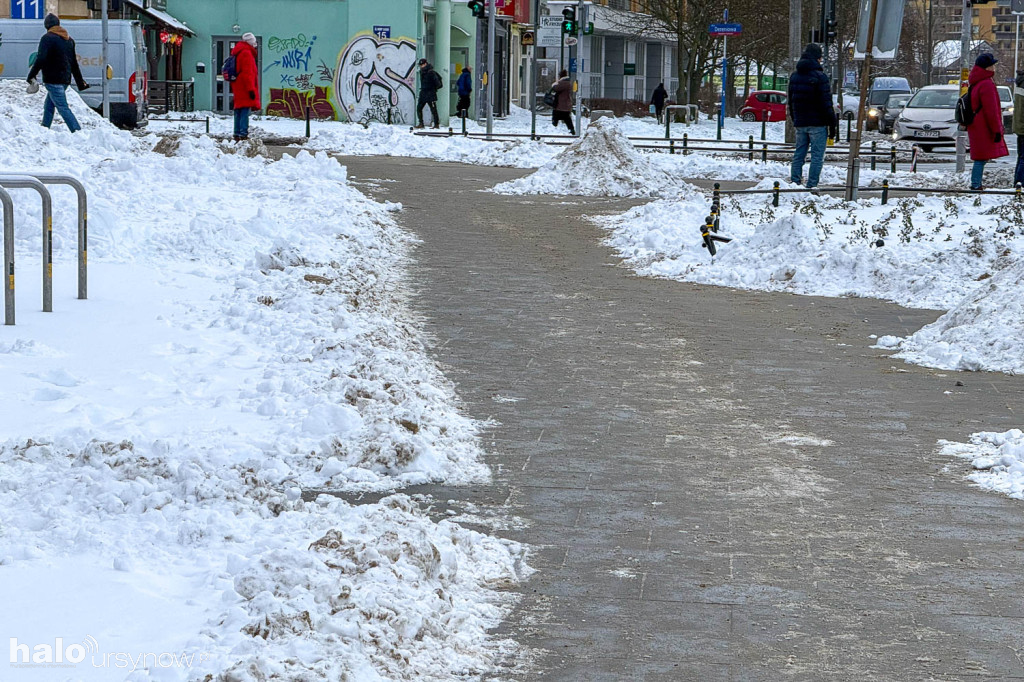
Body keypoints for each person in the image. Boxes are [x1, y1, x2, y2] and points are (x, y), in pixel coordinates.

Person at [26, 13, 90, 133]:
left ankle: (77, 132)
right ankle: (44, 129)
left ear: (47, 26)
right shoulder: (69, 40)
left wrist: (31, 75)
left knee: (63, 108)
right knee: (49, 106)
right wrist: (80, 83)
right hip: (65, 80)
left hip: (52, 79)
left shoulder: (47, 38)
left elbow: (41, 58)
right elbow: (74, 63)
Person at [786, 43, 838, 190]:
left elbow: (791, 101)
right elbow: (826, 103)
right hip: (818, 123)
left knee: (799, 154)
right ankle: (811, 186)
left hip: (801, 122)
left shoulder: (794, 76)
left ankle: (795, 183)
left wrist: (795, 119)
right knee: (817, 156)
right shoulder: (820, 77)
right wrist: (832, 124)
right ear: (818, 58)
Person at [965, 53, 1008, 190]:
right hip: (983, 126)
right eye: (992, 65)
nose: (994, 67)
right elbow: (992, 110)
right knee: (981, 158)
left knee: (980, 156)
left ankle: (976, 184)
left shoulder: (976, 82)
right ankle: (975, 185)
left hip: (976, 124)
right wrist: (997, 130)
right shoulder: (986, 84)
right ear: (987, 67)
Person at [230, 32, 261, 141]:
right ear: (250, 42)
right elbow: (248, 74)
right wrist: (251, 89)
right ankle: (243, 133)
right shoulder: (246, 53)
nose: (255, 44)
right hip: (245, 87)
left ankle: (237, 132)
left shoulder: (238, 52)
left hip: (238, 85)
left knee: (238, 110)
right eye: (254, 42)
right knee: (244, 110)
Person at [416, 59, 442, 129]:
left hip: (430, 93)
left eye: (422, 65)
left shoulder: (431, 72)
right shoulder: (422, 72)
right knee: (419, 108)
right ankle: (421, 123)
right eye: (420, 65)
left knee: (433, 109)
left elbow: (438, 84)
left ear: (425, 64)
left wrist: (433, 88)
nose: (421, 66)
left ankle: (436, 124)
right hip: (424, 93)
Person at [551, 69, 576, 136]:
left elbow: (556, 88)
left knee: (556, 114)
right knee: (567, 118)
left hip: (561, 103)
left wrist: (554, 84)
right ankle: (571, 130)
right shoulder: (568, 82)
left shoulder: (563, 83)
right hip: (566, 104)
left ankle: (554, 126)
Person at [1014, 69, 1024, 188]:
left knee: (1021, 157)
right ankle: (1020, 184)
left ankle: (1017, 182)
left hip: (1020, 126)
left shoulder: (1021, 82)